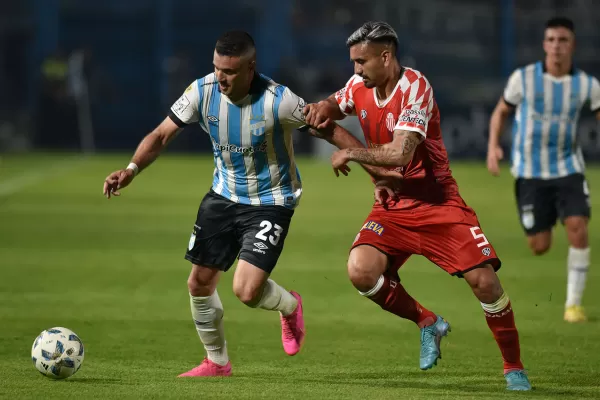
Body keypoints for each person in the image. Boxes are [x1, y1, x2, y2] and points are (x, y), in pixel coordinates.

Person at [102, 30, 399, 377]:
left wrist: (375, 173)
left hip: (271, 202)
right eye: (216, 68)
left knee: (246, 290)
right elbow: (161, 134)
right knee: (198, 283)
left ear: (250, 67)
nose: (220, 78)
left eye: (228, 71)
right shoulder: (201, 91)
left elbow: (330, 130)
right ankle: (216, 362)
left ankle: (289, 307)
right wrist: (131, 169)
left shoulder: (280, 100)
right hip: (222, 197)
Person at [303, 21, 531, 391]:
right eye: (353, 63)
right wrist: (320, 108)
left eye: (361, 61)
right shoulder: (359, 85)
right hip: (395, 203)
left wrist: (349, 151)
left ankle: (513, 367)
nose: (356, 70)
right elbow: (334, 104)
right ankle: (428, 322)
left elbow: (401, 151)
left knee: (485, 282)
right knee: (361, 270)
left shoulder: (415, 88)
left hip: (439, 203)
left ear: (386, 56)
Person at [487, 17, 600, 323]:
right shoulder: (523, 79)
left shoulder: (588, 85)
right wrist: (493, 148)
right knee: (539, 245)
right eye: (551, 40)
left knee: (578, 227)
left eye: (563, 40)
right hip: (530, 174)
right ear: (544, 45)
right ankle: (545, 224)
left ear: (572, 45)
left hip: (568, 169)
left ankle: (573, 305)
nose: (556, 46)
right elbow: (501, 112)